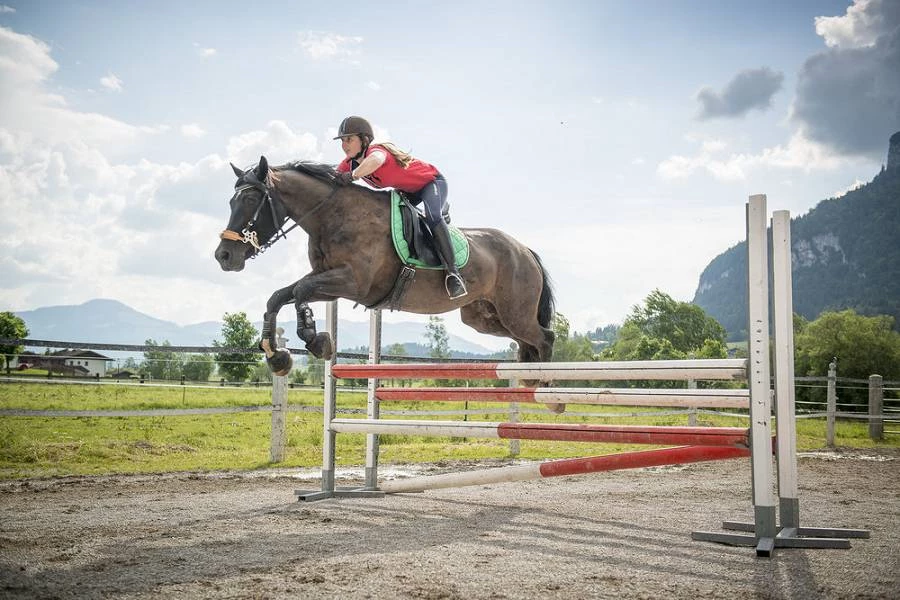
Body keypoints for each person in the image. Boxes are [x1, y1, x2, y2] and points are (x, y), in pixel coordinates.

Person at [333, 115, 467, 299]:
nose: (344, 145)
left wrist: (353, 176)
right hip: (408, 192)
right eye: (342, 140)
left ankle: (454, 275)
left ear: (364, 140)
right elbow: (332, 178)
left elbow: (376, 161)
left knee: (432, 217)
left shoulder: (376, 151)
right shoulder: (349, 163)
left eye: (349, 139)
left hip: (431, 183)